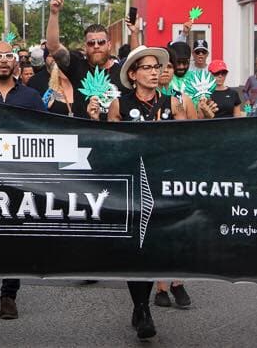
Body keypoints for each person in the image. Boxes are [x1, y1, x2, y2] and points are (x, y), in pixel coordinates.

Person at [87, 45, 190, 341]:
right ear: (133, 74)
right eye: (147, 68)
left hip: (162, 185)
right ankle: (142, 308)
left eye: (157, 67)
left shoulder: (172, 103)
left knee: (155, 248)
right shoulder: (120, 104)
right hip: (130, 186)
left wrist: (166, 134)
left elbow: (188, 140)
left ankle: (141, 306)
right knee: (136, 248)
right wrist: (95, 119)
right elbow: (108, 144)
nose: (154, 72)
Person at [0, 41, 44, 321]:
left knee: (16, 235)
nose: (3, 60)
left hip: (21, 177)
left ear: (15, 61)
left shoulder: (31, 97)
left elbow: (48, 132)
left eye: (8, 55)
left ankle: (8, 295)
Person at [46, 0, 138, 118]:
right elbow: (53, 47)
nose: (96, 46)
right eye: (91, 43)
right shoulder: (77, 66)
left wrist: (134, 33)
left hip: (116, 129)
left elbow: (138, 62)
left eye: (101, 42)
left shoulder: (123, 71)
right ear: (85, 47)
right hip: (84, 129)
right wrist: (54, 13)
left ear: (109, 45)